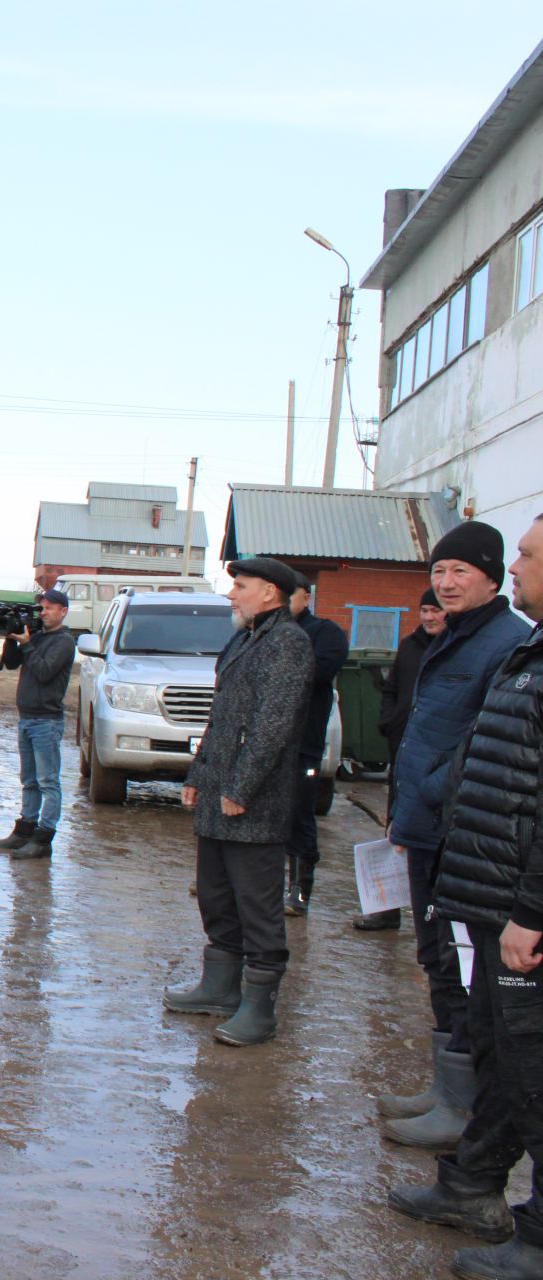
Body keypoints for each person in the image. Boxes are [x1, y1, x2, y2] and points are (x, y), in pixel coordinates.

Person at [388, 514, 543, 1273]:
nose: (518, 564)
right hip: (479, 869)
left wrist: (530, 910)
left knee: (525, 1056)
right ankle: (473, 1183)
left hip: (509, 888)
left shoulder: (513, 644)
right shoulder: (515, 646)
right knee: (493, 1037)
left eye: (525, 555)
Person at [163, 557, 313, 1047]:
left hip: (252, 804)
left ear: (270, 593)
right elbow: (221, 719)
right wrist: (198, 775)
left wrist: (239, 789)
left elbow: (272, 729)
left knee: (257, 905)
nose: (232, 595)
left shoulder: (288, 644)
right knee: (216, 894)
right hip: (217, 795)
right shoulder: (247, 638)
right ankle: (220, 987)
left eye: (240, 587)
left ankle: (259, 1007)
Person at [358, 588, 447, 931]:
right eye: (424, 609)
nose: (429, 617)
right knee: (394, 827)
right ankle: (386, 907)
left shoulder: (451, 648)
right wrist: (389, 721)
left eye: (435, 610)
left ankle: (434, 915)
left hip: (436, 761)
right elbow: (391, 689)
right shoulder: (410, 647)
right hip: (402, 753)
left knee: (430, 835)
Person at [281, 574, 350, 917]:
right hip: (266, 743)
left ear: (305, 597)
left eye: (289, 596)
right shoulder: (263, 632)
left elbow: (319, 671)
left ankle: (299, 890)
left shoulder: (326, 633)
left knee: (298, 813)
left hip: (304, 744)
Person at [0, 588, 74, 860]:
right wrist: (12, 639)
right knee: (29, 781)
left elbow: (45, 671)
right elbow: (12, 664)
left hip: (46, 720)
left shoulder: (64, 641)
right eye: (42, 607)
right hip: (27, 718)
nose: (44, 612)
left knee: (48, 781)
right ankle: (24, 831)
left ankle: (44, 838)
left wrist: (27, 644)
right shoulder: (36, 635)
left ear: (63, 611)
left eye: (50, 607)